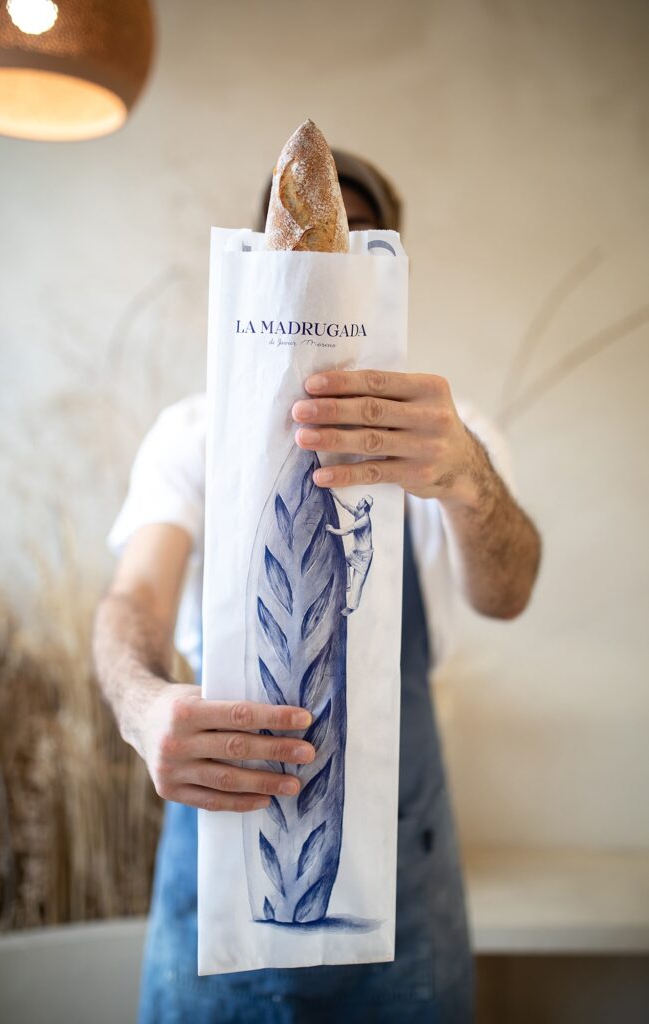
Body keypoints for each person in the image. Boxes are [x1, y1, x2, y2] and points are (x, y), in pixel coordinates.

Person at [92, 147, 542, 1023]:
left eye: (365, 241)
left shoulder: (454, 433)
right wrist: (143, 709)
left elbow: (509, 591)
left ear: (391, 271)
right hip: (217, 867)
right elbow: (133, 601)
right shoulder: (192, 433)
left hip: (406, 888)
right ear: (259, 267)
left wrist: (465, 479)